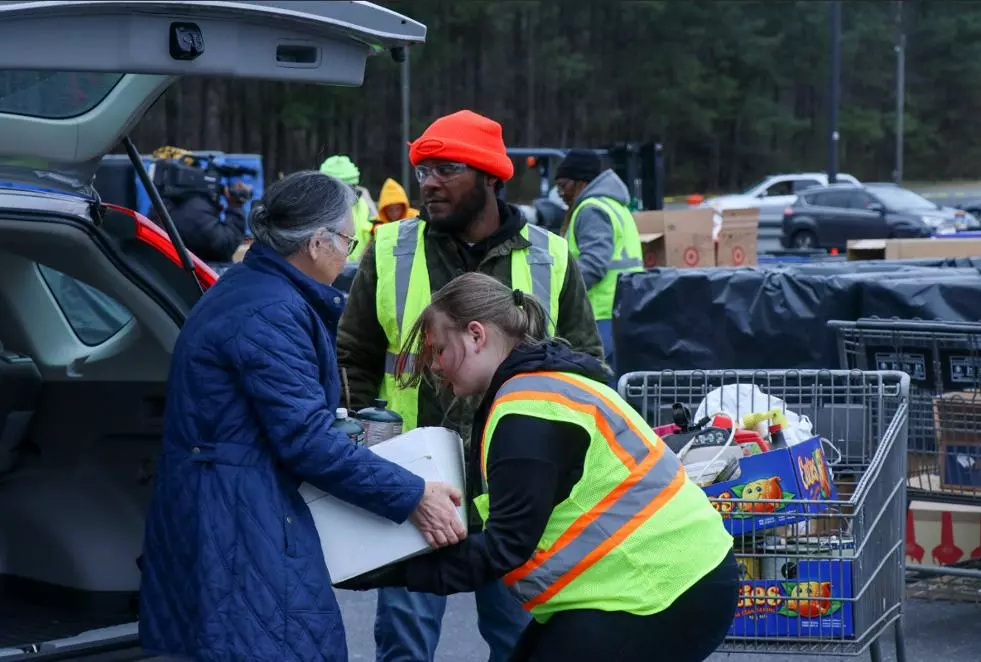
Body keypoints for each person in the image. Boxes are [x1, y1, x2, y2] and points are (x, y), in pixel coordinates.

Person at [138, 171, 467, 662]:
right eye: (349, 242)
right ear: (317, 242)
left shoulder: (255, 293)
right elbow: (306, 440)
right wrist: (413, 494)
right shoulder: (270, 312)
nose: (349, 256)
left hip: (226, 507)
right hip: (238, 524)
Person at [339, 272, 739, 662]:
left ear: (476, 335)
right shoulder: (545, 386)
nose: (437, 367)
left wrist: (386, 572)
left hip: (662, 591)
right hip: (667, 581)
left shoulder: (528, 414)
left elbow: (503, 548)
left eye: (440, 350)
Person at [336, 109, 606, 662]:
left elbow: (587, 367)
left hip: (515, 488)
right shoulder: (389, 250)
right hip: (413, 484)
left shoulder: (552, 257)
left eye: (446, 169)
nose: (429, 182)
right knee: (405, 643)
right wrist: (370, 452)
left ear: (490, 177)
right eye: (423, 170)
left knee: (518, 642)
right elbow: (352, 358)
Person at [554, 150, 644, 374]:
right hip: (622, 312)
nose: (561, 194)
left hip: (600, 317)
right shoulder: (615, 205)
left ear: (581, 183)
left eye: (563, 186)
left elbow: (593, 265)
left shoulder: (591, 210)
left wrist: (558, 292)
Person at [320, 154, 377, 263]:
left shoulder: (364, 202)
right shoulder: (319, 208)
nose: (350, 194)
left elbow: (374, 232)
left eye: (352, 187)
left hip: (358, 267)